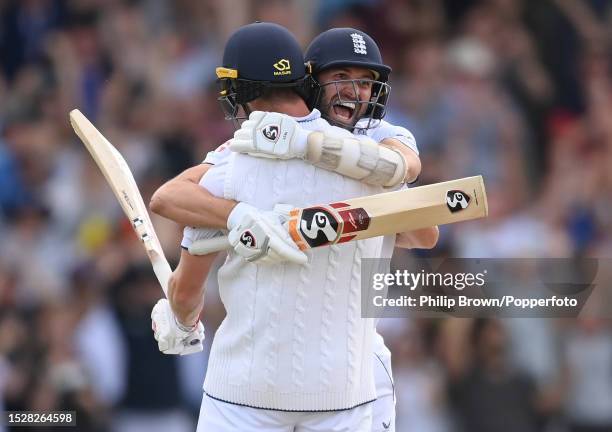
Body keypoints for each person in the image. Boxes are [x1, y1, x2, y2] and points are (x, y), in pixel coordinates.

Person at [150, 26, 438, 432]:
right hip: (345, 396)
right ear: (308, 81)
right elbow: (425, 230)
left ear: (244, 91)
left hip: (243, 396)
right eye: (341, 78)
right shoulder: (374, 169)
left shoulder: (232, 167)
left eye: (365, 82)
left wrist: (180, 320)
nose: (354, 92)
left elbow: (170, 217)